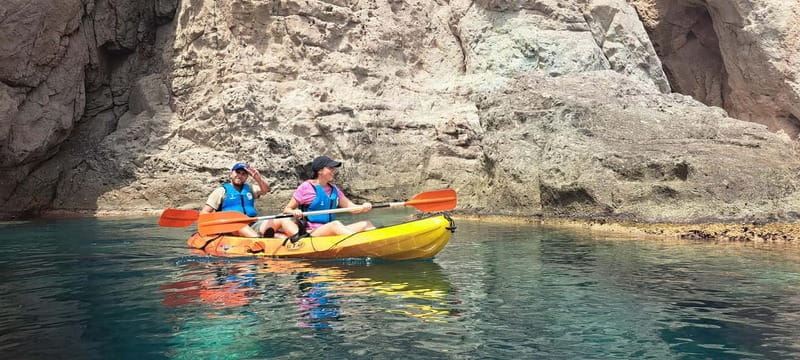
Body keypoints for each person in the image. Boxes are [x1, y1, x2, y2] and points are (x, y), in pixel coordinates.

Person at [283, 156, 374, 236]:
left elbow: (351, 207)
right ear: (320, 171)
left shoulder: (334, 189)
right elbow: (287, 210)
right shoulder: (305, 187)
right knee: (335, 225)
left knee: (366, 224)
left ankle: (377, 244)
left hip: (331, 229)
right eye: (330, 168)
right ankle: (359, 243)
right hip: (311, 231)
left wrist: (363, 207)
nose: (333, 171)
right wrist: (295, 212)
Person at [201, 162, 298, 238]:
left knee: (282, 218)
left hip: (252, 223)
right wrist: (219, 220)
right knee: (239, 225)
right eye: (237, 172)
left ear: (247, 177)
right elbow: (204, 213)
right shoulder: (221, 191)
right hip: (232, 227)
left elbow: (266, 190)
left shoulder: (250, 189)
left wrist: (258, 179)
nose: (240, 175)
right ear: (231, 174)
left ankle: (300, 237)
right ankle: (259, 240)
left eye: (243, 174)